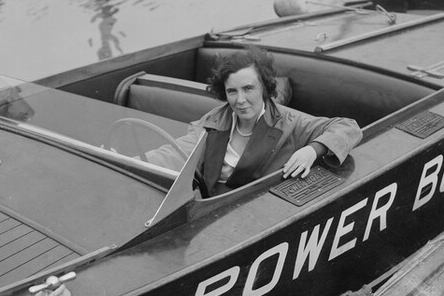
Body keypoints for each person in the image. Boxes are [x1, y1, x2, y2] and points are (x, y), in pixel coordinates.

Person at [145, 47, 362, 196]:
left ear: (265, 88)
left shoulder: (290, 121)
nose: (240, 100)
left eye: (248, 89)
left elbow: (348, 127)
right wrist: (136, 160)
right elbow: (176, 152)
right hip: (210, 214)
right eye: (232, 91)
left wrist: (313, 150)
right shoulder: (212, 122)